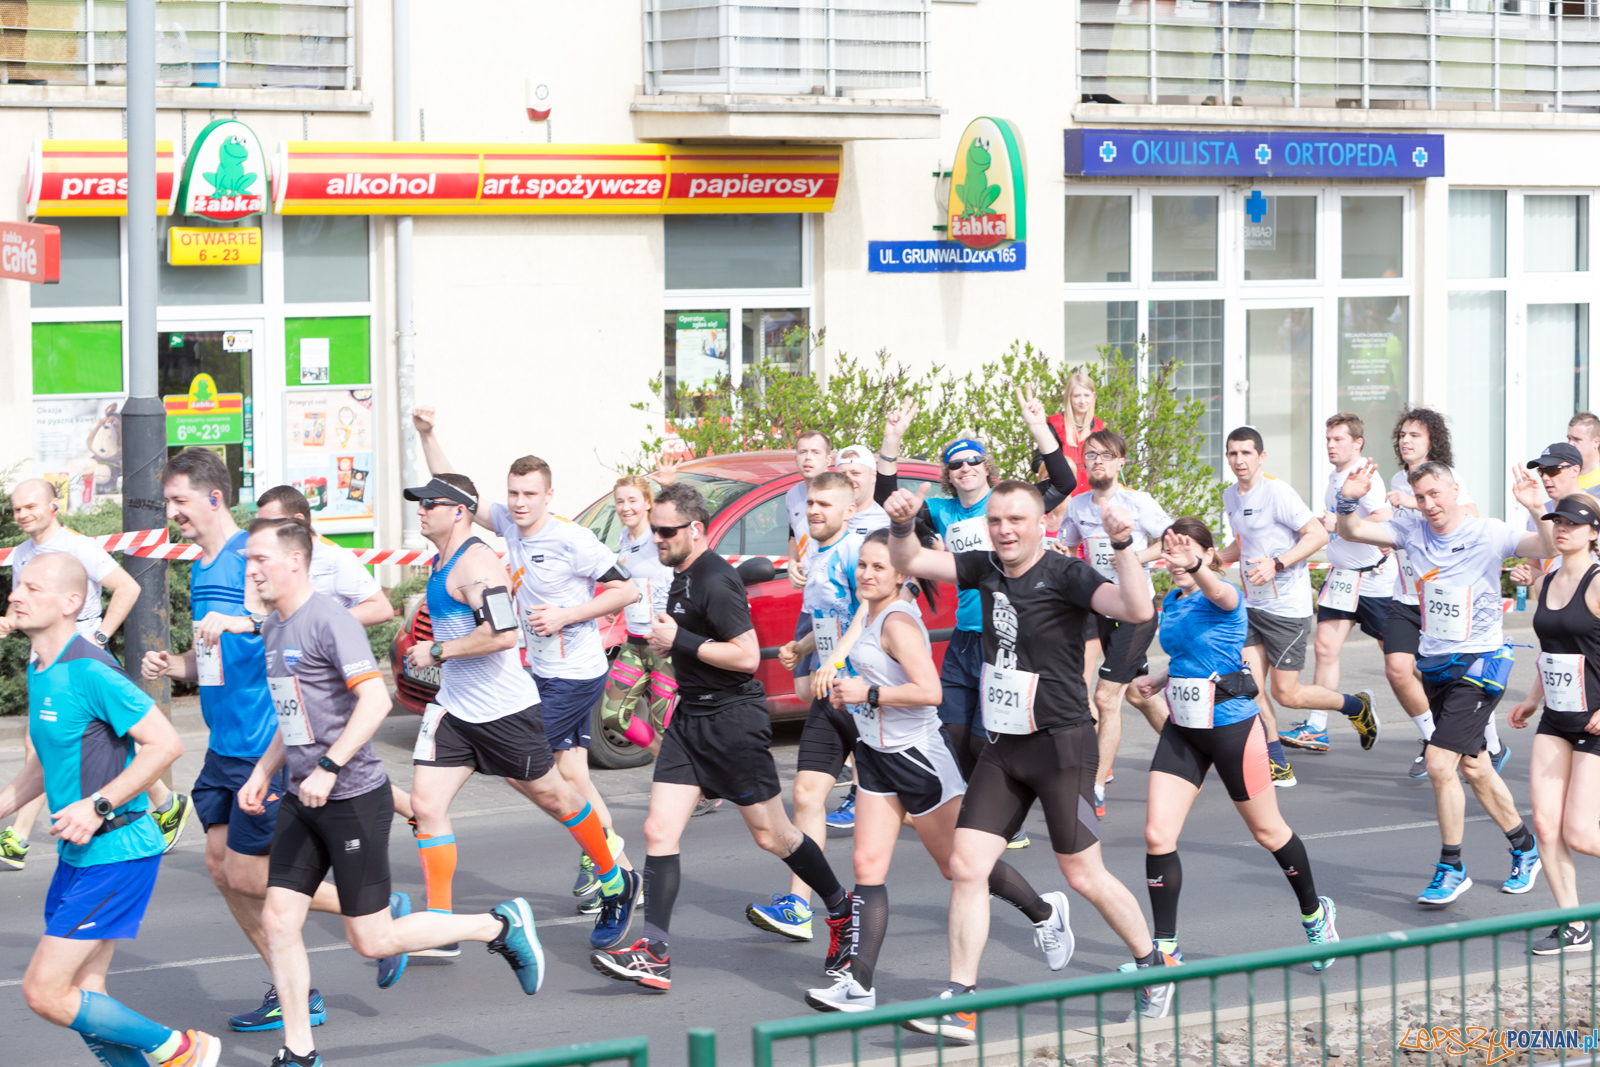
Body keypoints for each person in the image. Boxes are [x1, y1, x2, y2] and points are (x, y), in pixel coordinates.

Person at [241, 517, 547, 1067]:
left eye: (260, 559)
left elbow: (376, 702)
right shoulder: (275, 629)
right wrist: (264, 771)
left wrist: (329, 767)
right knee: (278, 918)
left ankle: (497, 926)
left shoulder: (330, 622)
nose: (252, 570)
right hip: (302, 797)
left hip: (352, 797)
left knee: (372, 940)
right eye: (248, 561)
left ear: (295, 560)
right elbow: (294, 716)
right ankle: (299, 1050)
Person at [884, 481, 1178, 1035]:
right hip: (1004, 744)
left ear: (1042, 523)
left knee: (1083, 873)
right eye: (996, 520)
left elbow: (1137, 610)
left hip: (1061, 743)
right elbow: (911, 560)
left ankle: (1153, 967)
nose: (1005, 530)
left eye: (1016, 519)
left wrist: (1122, 545)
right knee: (967, 866)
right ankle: (961, 1001)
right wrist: (901, 525)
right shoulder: (983, 567)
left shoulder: (1067, 574)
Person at [591, 484, 854, 993]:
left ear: (695, 529)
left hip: (732, 721)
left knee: (773, 836)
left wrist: (681, 640)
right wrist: (670, 648)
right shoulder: (681, 573)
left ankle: (843, 912)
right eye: (655, 529)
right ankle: (655, 952)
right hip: (691, 718)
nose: (657, 538)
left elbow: (746, 657)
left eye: (666, 531)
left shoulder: (714, 578)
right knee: (658, 830)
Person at [803, 532, 1073, 1013]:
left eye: (878, 567)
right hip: (875, 753)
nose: (866, 574)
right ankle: (859, 985)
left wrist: (868, 694)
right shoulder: (869, 610)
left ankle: (1045, 911)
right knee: (867, 866)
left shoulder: (899, 622)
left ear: (901, 574)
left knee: (957, 866)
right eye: (862, 565)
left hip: (918, 757)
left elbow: (930, 692)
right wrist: (844, 682)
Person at [140, 447, 344, 1033]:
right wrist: (175, 665)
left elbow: (291, 621)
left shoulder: (249, 558)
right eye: (169, 502)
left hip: (265, 743)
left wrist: (244, 621)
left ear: (213, 497)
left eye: (179, 500)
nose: (172, 513)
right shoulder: (202, 567)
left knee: (250, 875)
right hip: (224, 743)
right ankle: (293, 992)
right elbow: (213, 660)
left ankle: (371, 907)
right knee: (220, 867)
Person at [398, 474, 640, 954]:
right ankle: (441, 926)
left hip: (504, 711)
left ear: (460, 511)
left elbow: (504, 634)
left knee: (556, 797)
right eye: (419, 503)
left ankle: (616, 881)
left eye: (430, 503)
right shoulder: (441, 558)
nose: (421, 511)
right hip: (454, 709)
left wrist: (438, 651)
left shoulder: (477, 565)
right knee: (426, 806)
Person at [0, 552, 220, 1067]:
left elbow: (165, 744)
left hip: (118, 851)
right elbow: (44, 767)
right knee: (84, 997)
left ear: (70, 602)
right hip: (79, 854)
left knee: (45, 993)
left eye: (32, 588)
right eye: (17, 586)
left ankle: (182, 1049)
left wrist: (98, 805)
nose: (14, 595)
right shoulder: (40, 667)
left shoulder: (90, 669)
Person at [1337, 458, 1554, 905]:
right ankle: (1525, 847)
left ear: (1456, 491)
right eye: (1420, 497)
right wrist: (1347, 500)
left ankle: (1451, 866)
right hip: (1437, 666)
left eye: (1435, 494)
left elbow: (1547, 545)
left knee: (1439, 763)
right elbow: (1352, 531)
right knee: (1475, 767)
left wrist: (1535, 507)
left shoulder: (1489, 532)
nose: (1428, 504)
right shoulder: (1412, 532)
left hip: (1480, 666)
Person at [1132, 518, 1339, 969]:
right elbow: (1194, 653)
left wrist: (1197, 565)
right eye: (1171, 551)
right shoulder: (1172, 600)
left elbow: (1220, 595)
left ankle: (1315, 914)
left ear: (1208, 554)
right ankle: (1166, 950)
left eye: (1187, 550)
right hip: (1184, 727)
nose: (1176, 559)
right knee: (1157, 835)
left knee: (1268, 832)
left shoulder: (1226, 594)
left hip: (1232, 728)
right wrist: (1162, 677)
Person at [877, 388, 1077, 787]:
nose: (965, 467)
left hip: (1003, 634)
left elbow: (1064, 481)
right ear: (948, 475)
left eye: (973, 460)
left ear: (987, 468)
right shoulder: (941, 510)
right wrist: (891, 441)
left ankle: (1006, 801)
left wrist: (1039, 427)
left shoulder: (1006, 504)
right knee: (952, 734)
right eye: (955, 464)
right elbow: (887, 498)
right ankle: (974, 804)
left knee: (985, 738)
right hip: (964, 635)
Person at [0, 478, 185, 870]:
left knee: (71, 742)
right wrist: (10, 620)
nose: (23, 515)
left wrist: (99, 636)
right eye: (16, 509)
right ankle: (165, 802)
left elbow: (127, 588)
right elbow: (23, 606)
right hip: (44, 658)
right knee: (61, 744)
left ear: (53, 505)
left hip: (77, 654)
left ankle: (19, 835)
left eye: (30, 506)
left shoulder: (79, 547)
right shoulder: (22, 554)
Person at [254, 486, 418, 849]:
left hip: (334, 677)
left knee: (342, 761)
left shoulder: (334, 558)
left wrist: (324, 629)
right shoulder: (266, 563)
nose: (261, 532)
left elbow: (380, 608)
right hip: (291, 675)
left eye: (270, 523)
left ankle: (410, 811)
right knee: (319, 755)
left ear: (297, 521)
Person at [1218, 427, 1377, 789]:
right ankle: (1276, 762)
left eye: (1246, 453)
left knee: (1286, 694)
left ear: (1261, 456)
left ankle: (1356, 706)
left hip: (1287, 608)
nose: (1239, 460)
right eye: (1233, 454)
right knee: (1250, 687)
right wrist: (1214, 559)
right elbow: (1244, 543)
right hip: (1252, 605)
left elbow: (1317, 534)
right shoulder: (1231, 496)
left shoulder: (1277, 492)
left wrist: (1277, 564)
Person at [759, 472, 866, 941]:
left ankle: (996, 879)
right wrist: (803, 648)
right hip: (831, 695)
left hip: (867, 696)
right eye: (811, 503)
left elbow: (870, 612)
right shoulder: (816, 553)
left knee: (917, 816)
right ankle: (799, 906)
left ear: (849, 510)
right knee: (805, 795)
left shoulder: (856, 552)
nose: (814, 510)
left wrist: (836, 658)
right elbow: (831, 617)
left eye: (825, 503)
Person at [1055, 429, 1170, 818]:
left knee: (1106, 698)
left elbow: (1171, 539)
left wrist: (1135, 558)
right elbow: (1070, 547)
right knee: (1137, 693)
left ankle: (1095, 788)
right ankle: (1190, 750)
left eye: (1106, 455)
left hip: (1137, 611)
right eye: (1091, 455)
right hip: (1103, 609)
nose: (1098, 461)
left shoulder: (1138, 502)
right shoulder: (1077, 506)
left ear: (1121, 462)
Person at [1509, 494, 1600, 955]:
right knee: (1545, 825)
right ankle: (1574, 926)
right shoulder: (1546, 582)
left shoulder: (1598, 582)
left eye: (1573, 523)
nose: (1562, 529)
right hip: (1556, 716)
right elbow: (1553, 651)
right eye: (1557, 521)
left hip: (1597, 723)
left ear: (1594, 533)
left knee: (1580, 833)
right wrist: (1532, 698)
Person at [1385, 408, 1497, 778]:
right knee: (1398, 669)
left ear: (1432, 440)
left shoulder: (1447, 477)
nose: (1406, 440)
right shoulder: (1396, 478)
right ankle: (1432, 737)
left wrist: (1414, 506)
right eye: (1402, 434)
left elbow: (1472, 515)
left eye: (1415, 435)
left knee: (1457, 677)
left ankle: (1489, 744)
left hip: (1444, 599)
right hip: (1406, 594)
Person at [1282, 414, 1395, 754]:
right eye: (1328, 439)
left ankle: (1439, 720)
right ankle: (1317, 727)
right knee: (1324, 648)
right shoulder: (1335, 476)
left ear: (1357, 443)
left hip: (1374, 580)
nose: (1331, 445)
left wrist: (1339, 524)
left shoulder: (1365, 476)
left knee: (1399, 659)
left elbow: (1384, 518)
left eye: (1338, 439)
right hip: (1343, 577)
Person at [599, 474, 679, 763]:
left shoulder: (658, 535)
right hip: (634, 643)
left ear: (647, 503)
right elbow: (633, 585)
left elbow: (683, 520)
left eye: (632, 500)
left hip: (663, 645)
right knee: (612, 714)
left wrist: (669, 487)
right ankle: (668, 759)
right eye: (620, 501)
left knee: (665, 723)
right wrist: (617, 605)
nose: (625, 508)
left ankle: (689, 777)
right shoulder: (623, 538)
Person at [1046, 370, 1103, 498]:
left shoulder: (1100, 427)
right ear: (1069, 397)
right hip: (1063, 497)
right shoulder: (1055, 424)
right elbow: (1039, 462)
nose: (1082, 401)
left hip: (1093, 497)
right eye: (1077, 396)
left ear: (1093, 396)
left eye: (1086, 395)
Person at [1569, 412, 1600, 492]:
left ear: (1596, 442)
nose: (1570, 443)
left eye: (1577, 439)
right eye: (1569, 438)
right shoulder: (1564, 474)